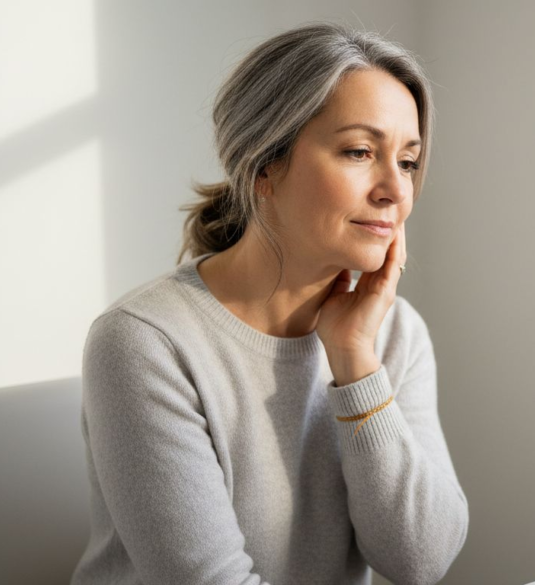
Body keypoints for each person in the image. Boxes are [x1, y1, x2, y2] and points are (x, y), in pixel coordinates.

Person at [71, 22, 469, 585]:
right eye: (360, 151)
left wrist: (355, 360)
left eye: (407, 160)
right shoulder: (144, 342)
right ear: (264, 166)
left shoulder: (394, 332)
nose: (396, 191)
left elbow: (420, 562)